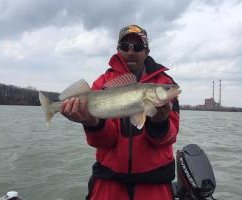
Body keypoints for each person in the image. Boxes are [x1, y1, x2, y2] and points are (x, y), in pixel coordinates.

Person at [60, 25, 180, 200]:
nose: (131, 52)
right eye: (125, 47)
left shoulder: (165, 81)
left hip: (155, 183)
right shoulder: (101, 84)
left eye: (138, 47)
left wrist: (160, 121)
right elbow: (106, 141)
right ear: (118, 50)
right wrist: (92, 123)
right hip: (109, 181)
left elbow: (170, 137)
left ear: (147, 51)